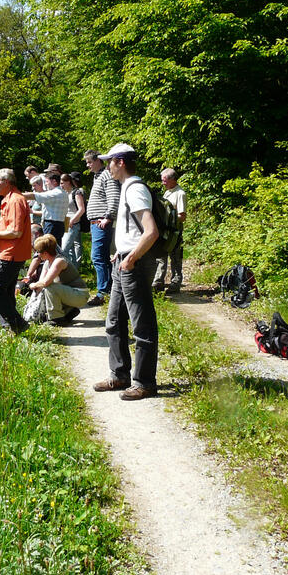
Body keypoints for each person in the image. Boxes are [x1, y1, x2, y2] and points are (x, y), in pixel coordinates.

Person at [92, 143, 159, 400]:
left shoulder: (135, 189)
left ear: (120, 162)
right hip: (122, 262)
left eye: (110, 161)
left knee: (142, 325)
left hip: (134, 265)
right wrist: (120, 253)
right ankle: (120, 375)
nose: (108, 166)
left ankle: (144, 382)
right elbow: (133, 231)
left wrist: (131, 257)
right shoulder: (126, 189)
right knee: (114, 323)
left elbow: (151, 231)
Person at [0, 168, 32, 334]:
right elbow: (11, 229)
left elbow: (16, 232)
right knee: (6, 290)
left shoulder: (15, 201)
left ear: (7, 182)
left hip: (12, 253)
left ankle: (18, 324)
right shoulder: (9, 199)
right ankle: (8, 327)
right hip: (10, 252)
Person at [82, 149, 120, 306]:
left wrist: (108, 217)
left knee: (98, 257)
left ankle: (102, 292)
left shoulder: (106, 175)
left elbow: (114, 197)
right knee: (102, 257)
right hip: (96, 222)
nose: (88, 165)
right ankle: (109, 290)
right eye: (87, 162)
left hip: (101, 222)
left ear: (99, 161)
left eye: (90, 162)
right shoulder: (98, 176)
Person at [27, 234, 89, 326]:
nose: (37, 255)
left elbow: (45, 283)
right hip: (69, 293)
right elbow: (41, 283)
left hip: (80, 295)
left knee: (49, 287)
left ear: (45, 253)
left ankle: (57, 318)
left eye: (38, 252)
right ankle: (69, 311)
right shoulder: (47, 263)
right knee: (46, 288)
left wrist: (32, 285)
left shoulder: (59, 261)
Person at [153, 167, 186, 294]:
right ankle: (158, 283)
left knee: (175, 258)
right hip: (164, 231)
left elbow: (182, 216)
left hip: (174, 232)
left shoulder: (180, 193)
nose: (163, 183)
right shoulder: (167, 192)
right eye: (162, 180)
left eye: (165, 180)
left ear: (173, 180)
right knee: (161, 256)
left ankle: (175, 284)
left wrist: (167, 219)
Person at [23, 170, 69, 241]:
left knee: (48, 248)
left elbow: (34, 196)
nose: (46, 184)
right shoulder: (63, 193)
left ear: (54, 181)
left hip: (51, 225)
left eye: (47, 182)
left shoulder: (55, 193)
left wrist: (17, 195)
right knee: (56, 248)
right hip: (60, 225)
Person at [60, 172, 86, 267]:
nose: (60, 185)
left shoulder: (77, 192)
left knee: (64, 248)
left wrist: (72, 220)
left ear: (68, 182)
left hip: (73, 223)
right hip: (66, 222)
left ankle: (69, 269)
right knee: (70, 250)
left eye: (62, 183)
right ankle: (74, 270)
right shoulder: (66, 193)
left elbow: (81, 209)